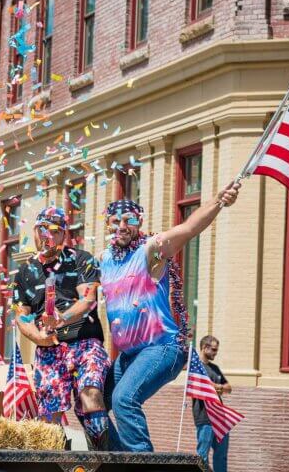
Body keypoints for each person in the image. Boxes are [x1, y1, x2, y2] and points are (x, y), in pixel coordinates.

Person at [100, 181, 240, 452]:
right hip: (129, 355)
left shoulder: (151, 250)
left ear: (138, 223)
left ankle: (142, 465)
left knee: (124, 399)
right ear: (108, 225)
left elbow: (188, 229)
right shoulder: (104, 260)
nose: (121, 225)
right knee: (93, 402)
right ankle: (116, 458)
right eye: (115, 220)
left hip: (163, 347)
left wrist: (219, 201)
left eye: (129, 220)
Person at [13, 207, 110, 450]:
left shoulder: (81, 259)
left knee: (91, 397)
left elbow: (88, 300)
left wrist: (62, 319)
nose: (48, 235)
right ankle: (56, 463)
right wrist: (39, 337)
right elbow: (21, 316)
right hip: (49, 349)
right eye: (42, 229)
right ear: (35, 232)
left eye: (55, 231)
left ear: (64, 234)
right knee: (49, 420)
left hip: (84, 342)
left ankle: (101, 458)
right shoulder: (25, 271)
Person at [193, 335, 232, 472]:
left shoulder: (215, 368)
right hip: (204, 418)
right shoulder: (195, 368)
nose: (216, 353)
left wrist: (217, 387)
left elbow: (229, 388)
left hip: (220, 418)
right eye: (214, 350)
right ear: (204, 348)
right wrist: (216, 387)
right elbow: (198, 387)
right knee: (202, 455)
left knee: (221, 456)